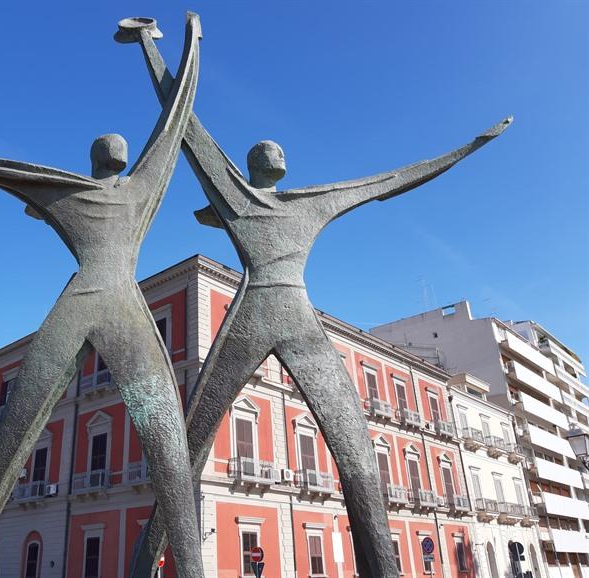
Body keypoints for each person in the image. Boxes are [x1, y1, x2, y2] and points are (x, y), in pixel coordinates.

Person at [119, 18, 510, 578]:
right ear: (258, 167)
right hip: (256, 311)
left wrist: (470, 146)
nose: (274, 151)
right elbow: (184, 125)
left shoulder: (311, 200)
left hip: (293, 320)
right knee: (188, 451)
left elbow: (393, 180)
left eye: (277, 148)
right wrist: (153, 49)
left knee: (356, 459)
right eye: (266, 150)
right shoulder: (235, 191)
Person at [0, 13, 204, 578]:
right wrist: (181, 45)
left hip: (80, 302)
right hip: (123, 307)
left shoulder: (68, 188)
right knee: (167, 451)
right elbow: (174, 122)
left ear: (94, 159)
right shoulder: (138, 186)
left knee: (14, 440)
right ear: (121, 159)